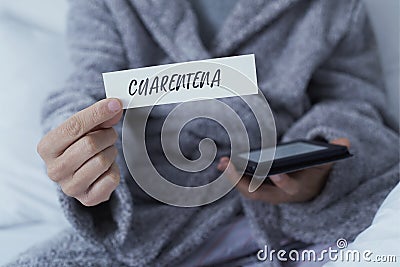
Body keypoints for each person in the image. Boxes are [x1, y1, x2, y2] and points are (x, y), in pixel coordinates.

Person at [9, 0, 399, 266]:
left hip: (302, 217)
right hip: (159, 227)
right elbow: (87, 87)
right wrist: (74, 138)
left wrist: (324, 166)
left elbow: (354, 101)